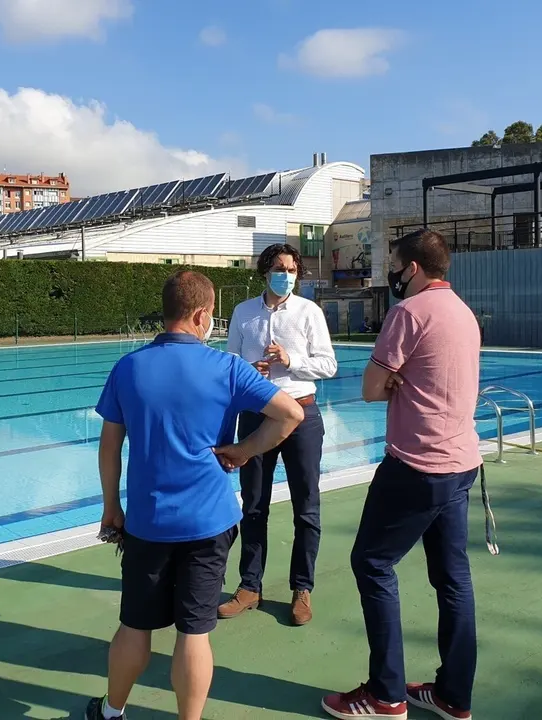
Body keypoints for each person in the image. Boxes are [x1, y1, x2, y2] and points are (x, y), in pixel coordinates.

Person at [85, 270, 305, 720]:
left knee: (134, 625)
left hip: (148, 522)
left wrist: (112, 507)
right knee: (194, 633)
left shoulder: (129, 367)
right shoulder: (226, 368)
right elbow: (289, 414)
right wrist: (243, 452)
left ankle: (112, 712)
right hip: (209, 521)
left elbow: (110, 447)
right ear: (202, 315)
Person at [321, 229, 485, 720]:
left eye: (394, 264)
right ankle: (454, 694)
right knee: (453, 580)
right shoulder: (463, 312)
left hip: (416, 465)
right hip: (461, 464)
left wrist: (396, 380)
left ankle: (385, 693)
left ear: (411, 267)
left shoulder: (408, 313)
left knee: (372, 562)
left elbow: (371, 388)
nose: (391, 274)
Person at [218, 242, 338, 626]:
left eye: (291, 268)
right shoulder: (243, 313)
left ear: (297, 273)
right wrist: (248, 368)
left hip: (301, 415)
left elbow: (329, 365)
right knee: (253, 505)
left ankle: (302, 588)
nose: (285, 274)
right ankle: (250, 586)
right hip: (256, 417)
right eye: (278, 267)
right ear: (264, 271)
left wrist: (292, 361)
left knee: (307, 508)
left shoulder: (309, 312)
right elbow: (230, 360)